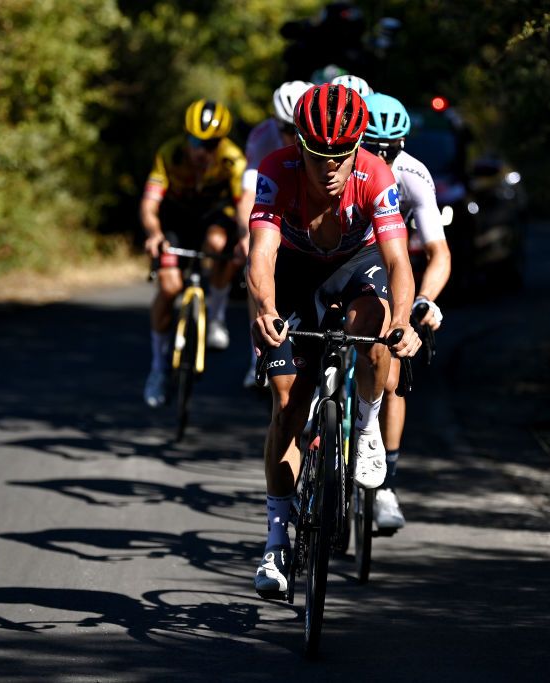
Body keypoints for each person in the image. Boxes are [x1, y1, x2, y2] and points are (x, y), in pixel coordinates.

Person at [247, 83, 422, 596]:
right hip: (298, 273)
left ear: (356, 149)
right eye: (317, 153)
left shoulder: (375, 174)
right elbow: (261, 256)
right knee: (288, 405)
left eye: (340, 154)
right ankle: (276, 541)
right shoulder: (276, 171)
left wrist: (404, 323)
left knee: (373, 321)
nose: (329, 166)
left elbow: (398, 262)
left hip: (357, 267)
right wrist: (264, 310)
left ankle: (367, 426)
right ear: (298, 142)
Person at [362, 93, 451, 530]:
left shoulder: (413, 173)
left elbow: (438, 252)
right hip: (344, 265)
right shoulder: (342, 169)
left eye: (390, 147)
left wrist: (425, 299)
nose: (381, 155)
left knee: (393, 375)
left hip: (390, 268)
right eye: (372, 145)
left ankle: (386, 486)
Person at [140, 99, 246, 408]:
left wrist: (245, 237)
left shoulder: (232, 159)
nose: (202, 150)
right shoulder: (169, 154)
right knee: (169, 287)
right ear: (185, 137)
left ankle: (216, 317)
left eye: (211, 144)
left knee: (218, 245)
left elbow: (243, 207)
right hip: (176, 221)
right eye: (195, 141)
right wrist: (154, 234)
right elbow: (149, 204)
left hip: (214, 219)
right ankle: (158, 369)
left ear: (221, 142)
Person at [235, 80, 313, 389]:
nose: (288, 135)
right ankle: (257, 354)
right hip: (277, 205)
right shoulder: (261, 136)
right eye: (283, 127)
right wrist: (246, 235)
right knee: (254, 266)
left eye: (294, 128)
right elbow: (247, 195)